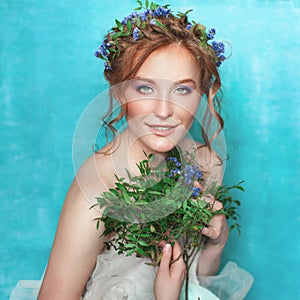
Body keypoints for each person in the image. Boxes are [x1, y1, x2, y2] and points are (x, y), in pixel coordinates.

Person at [11, 2, 253, 300]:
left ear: (202, 95)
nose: (164, 111)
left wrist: (216, 245)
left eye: (182, 90)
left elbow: (195, 282)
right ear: (119, 92)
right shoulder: (97, 192)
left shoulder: (204, 162)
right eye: (144, 88)